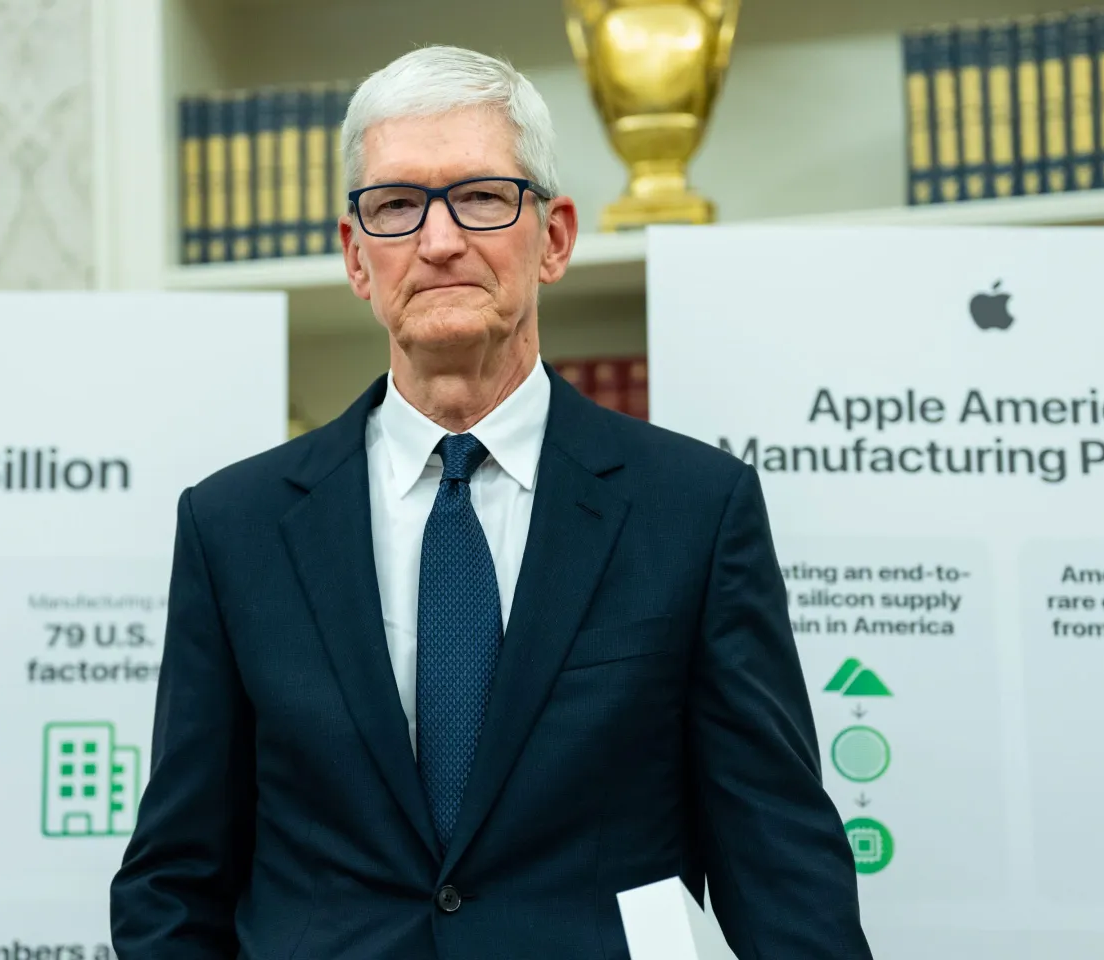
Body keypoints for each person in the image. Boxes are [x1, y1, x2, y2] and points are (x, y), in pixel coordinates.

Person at [109, 44, 872, 960]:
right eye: (397, 206)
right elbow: (175, 882)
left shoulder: (696, 513)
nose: (438, 242)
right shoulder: (234, 527)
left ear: (554, 239)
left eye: (479, 197)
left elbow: (779, 867)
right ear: (356, 257)